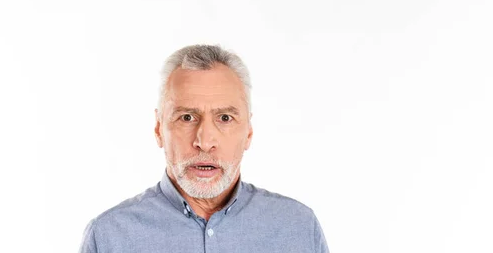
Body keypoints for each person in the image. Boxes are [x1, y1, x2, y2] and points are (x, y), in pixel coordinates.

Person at [78, 44, 330, 252]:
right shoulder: (109, 237)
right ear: (158, 129)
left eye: (225, 118)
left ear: (249, 132)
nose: (205, 141)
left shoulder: (299, 228)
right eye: (187, 117)